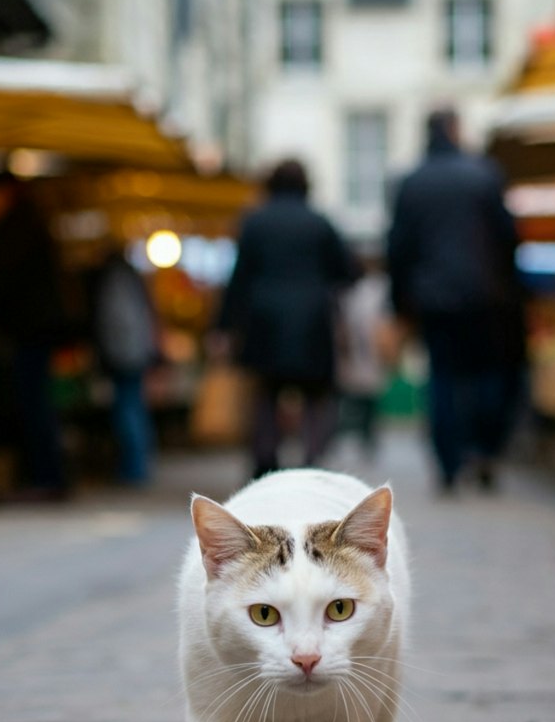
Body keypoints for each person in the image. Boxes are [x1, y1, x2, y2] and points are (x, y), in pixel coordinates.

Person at [386, 107, 527, 492]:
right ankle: (484, 449)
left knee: (443, 380)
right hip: (485, 296)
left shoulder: (411, 183)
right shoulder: (483, 174)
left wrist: (400, 303)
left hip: (433, 299)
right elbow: (508, 237)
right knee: (486, 374)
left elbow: (397, 248)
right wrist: (510, 290)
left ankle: (448, 464)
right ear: (455, 129)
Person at [216, 158, 360, 479]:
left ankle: (265, 459)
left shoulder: (254, 222)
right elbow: (349, 271)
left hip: (264, 320)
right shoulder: (320, 222)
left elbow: (238, 279)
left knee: (266, 393)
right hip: (311, 320)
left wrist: (223, 326)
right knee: (315, 394)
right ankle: (312, 458)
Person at [0, 172, 69, 500]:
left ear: (3, 193)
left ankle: (47, 478)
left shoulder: (17, 228)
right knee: (36, 403)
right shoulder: (28, 224)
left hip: (30, 330)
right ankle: (47, 477)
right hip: (35, 329)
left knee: (34, 404)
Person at [87, 242, 158, 485]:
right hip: (134, 351)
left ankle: (134, 468)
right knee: (134, 406)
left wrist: (109, 352)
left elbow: (118, 322)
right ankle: (138, 465)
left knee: (128, 408)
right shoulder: (130, 278)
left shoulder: (114, 280)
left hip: (125, 353)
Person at [336, 248, 391, 461]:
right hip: (363, 349)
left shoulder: (354, 290)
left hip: (364, 348)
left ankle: (362, 435)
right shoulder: (374, 288)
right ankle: (362, 435)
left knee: (361, 394)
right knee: (362, 395)